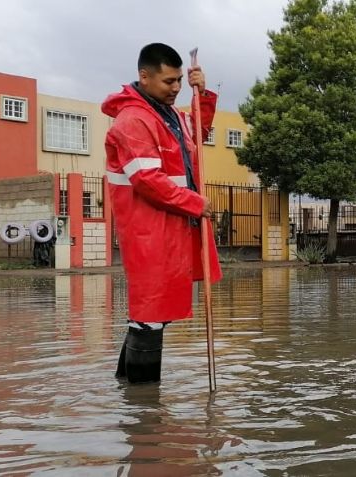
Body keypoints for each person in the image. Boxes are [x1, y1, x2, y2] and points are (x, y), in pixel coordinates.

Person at [102, 43, 221, 384]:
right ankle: (143, 406)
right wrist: (197, 203)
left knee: (154, 314)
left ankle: (132, 397)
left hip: (173, 226)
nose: (176, 88)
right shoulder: (133, 120)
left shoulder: (168, 117)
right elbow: (147, 181)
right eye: (169, 81)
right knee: (150, 312)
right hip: (149, 230)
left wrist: (203, 96)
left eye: (180, 80)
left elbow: (198, 133)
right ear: (144, 76)